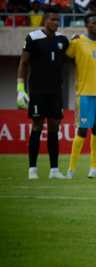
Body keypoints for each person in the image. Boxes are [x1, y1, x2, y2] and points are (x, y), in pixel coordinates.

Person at [18, 11, 69, 179]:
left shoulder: (62, 40)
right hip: (38, 90)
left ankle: (54, 170)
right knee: (37, 127)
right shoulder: (32, 37)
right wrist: (20, 88)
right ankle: (32, 169)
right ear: (45, 20)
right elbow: (24, 63)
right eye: (52, 19)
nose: (56, 22)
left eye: (57, 20)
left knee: (54, 127)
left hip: (55, 91)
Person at [66, 13, 96, 179]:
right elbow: (65, 57)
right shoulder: (77, 43)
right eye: (93, 23)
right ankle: (71, 169)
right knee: (82, 131)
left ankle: (94, 169)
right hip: (84, 94)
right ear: (86, 25)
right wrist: (69, 40)